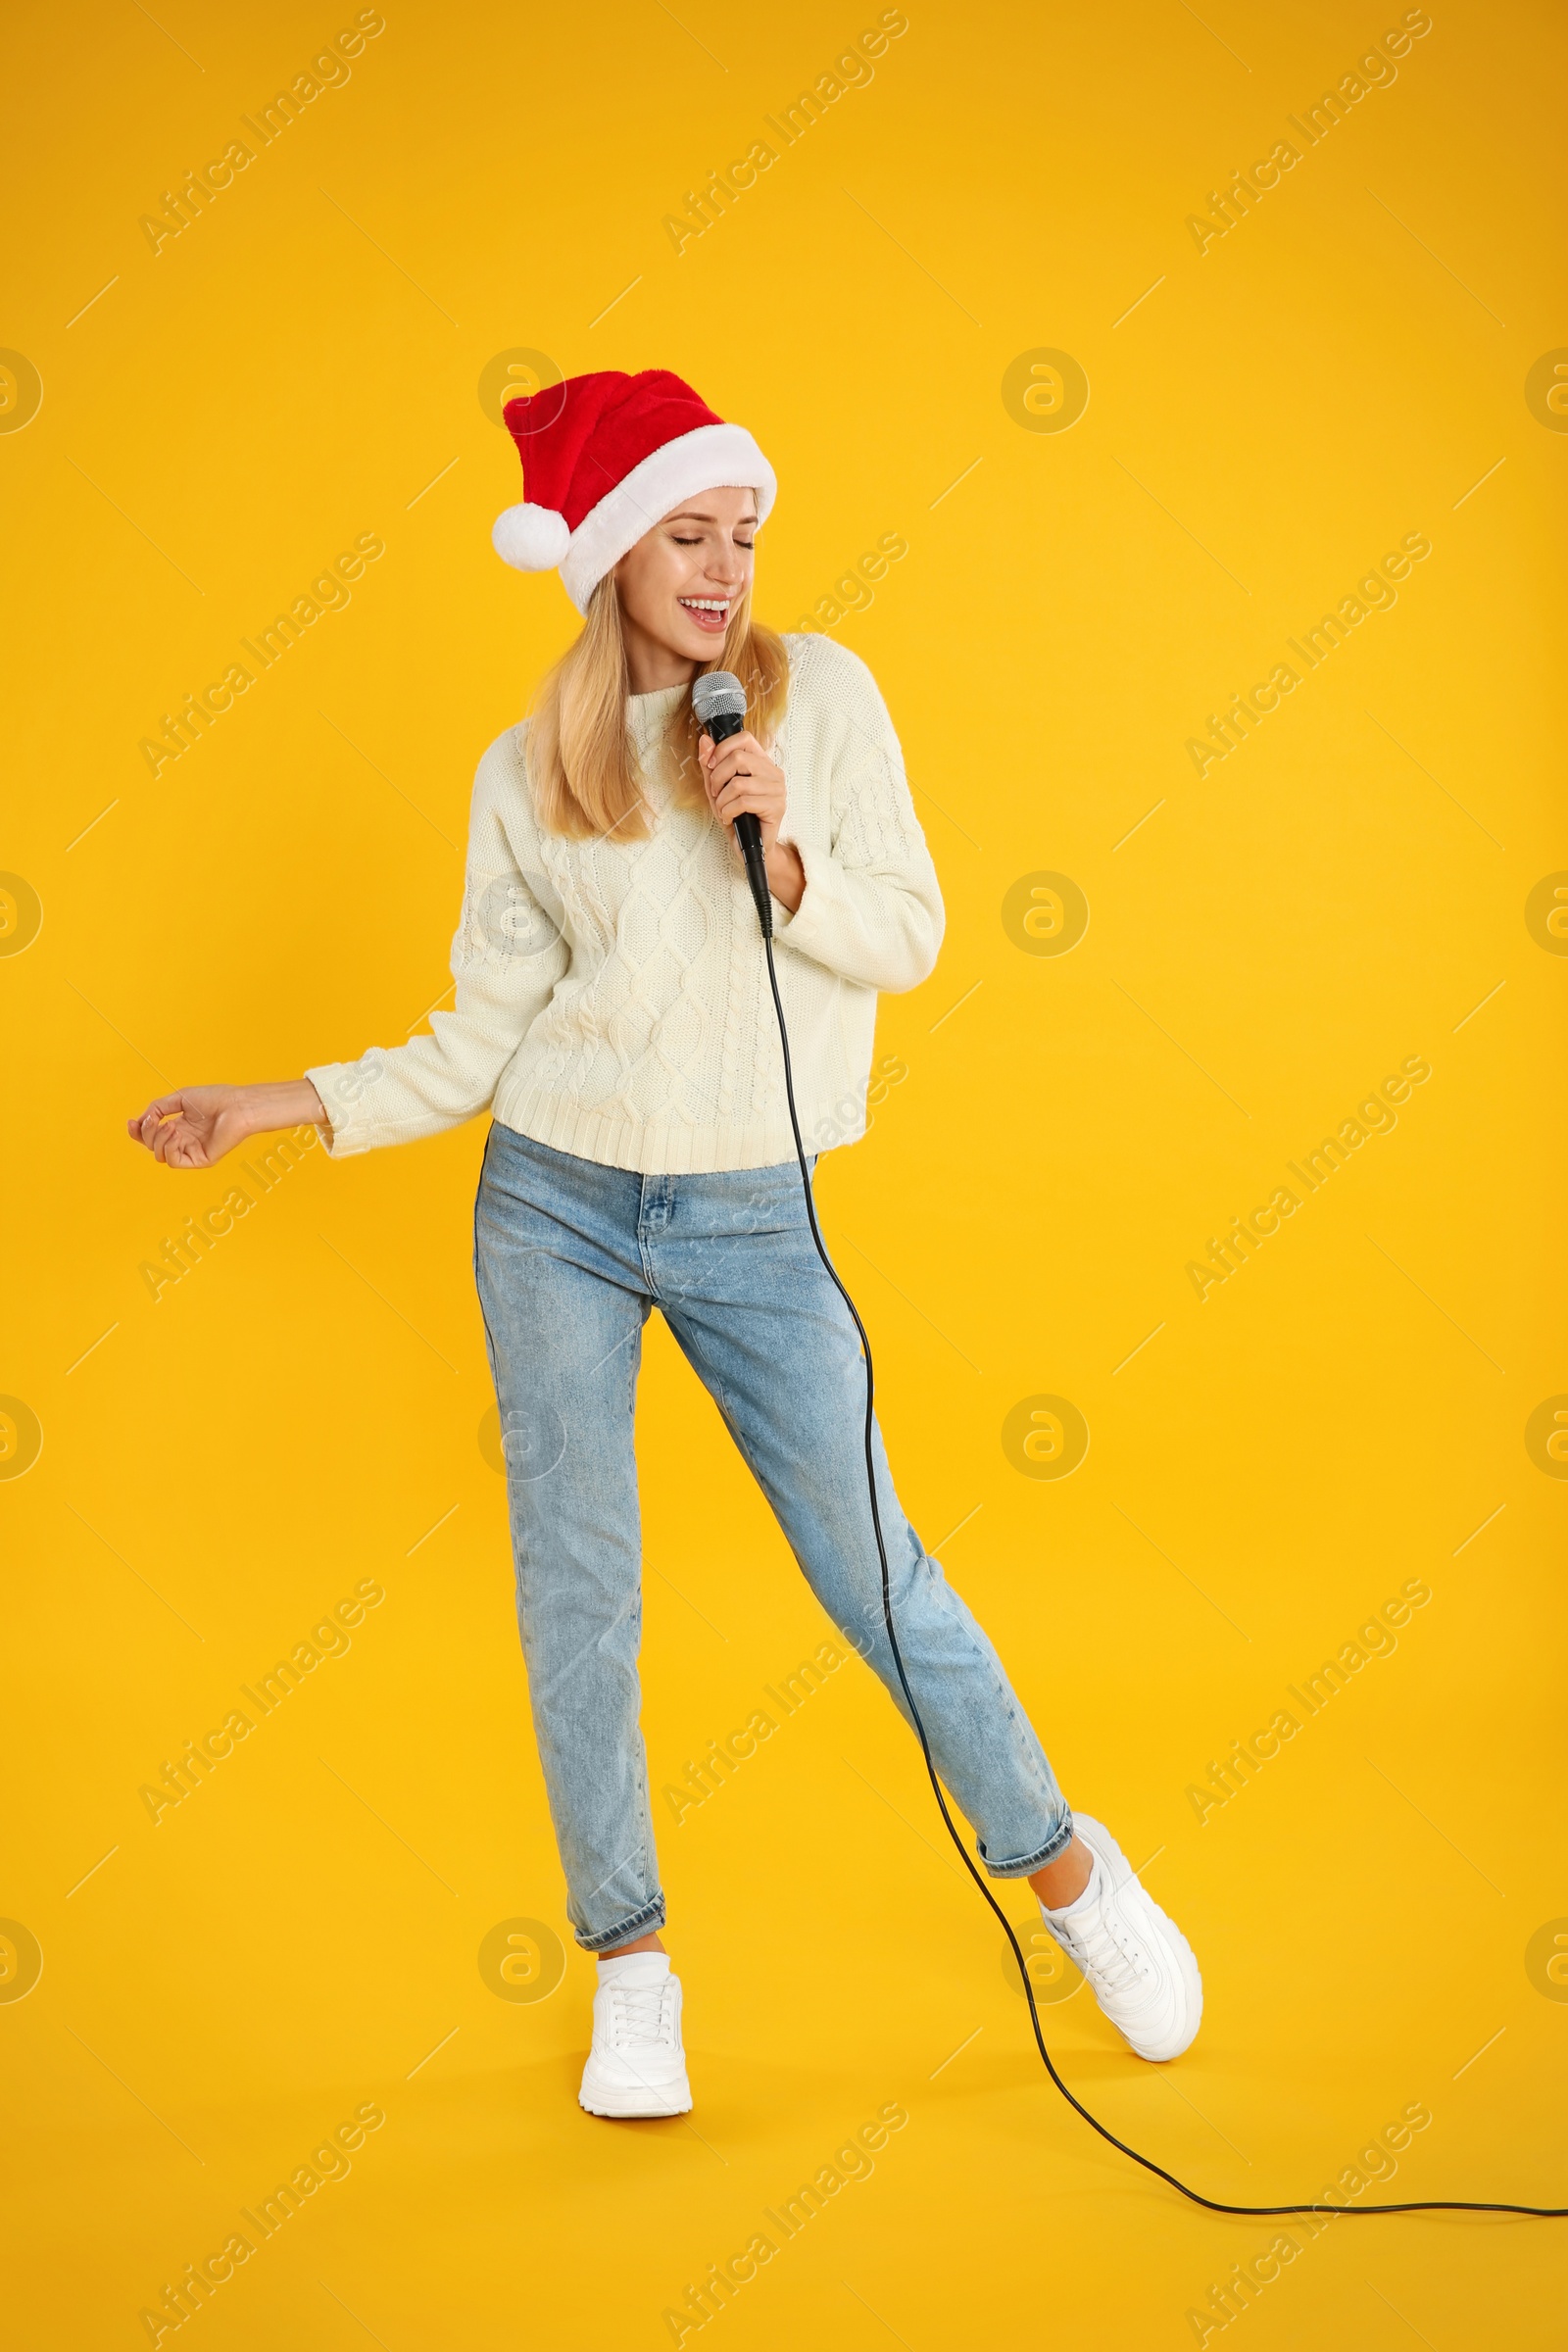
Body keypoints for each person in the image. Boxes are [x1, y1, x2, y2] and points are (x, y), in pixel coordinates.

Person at [128, 368, 1201, 2120]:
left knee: (873, 1570)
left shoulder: (821, 706)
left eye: (745, 535)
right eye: (690, 534)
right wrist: (285, 1100)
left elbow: (914, 933)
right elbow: (477, 1044)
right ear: (616, 548)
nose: (726, 568)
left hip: (750, 1213)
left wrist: (781, 864)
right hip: (550, 1201)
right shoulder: (525, 771)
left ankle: (1074, 1878)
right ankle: (633, 1968)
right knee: (579, 1593)